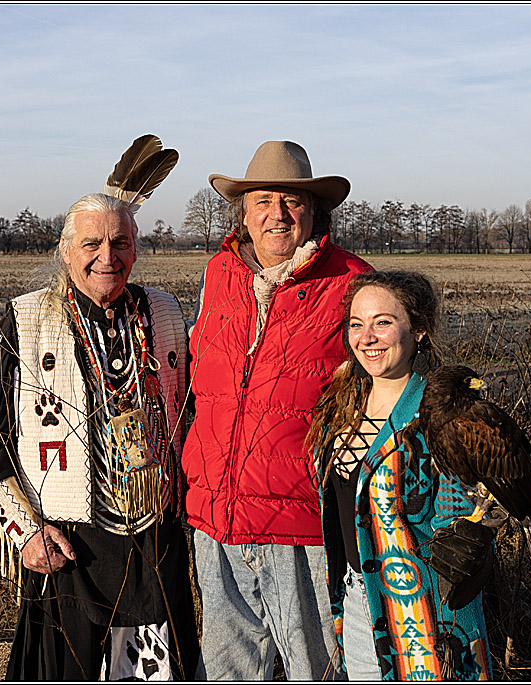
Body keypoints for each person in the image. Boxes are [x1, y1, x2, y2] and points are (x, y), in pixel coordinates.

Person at [0, 190, 198, 680]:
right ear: (65, 251)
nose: (107, 257)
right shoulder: (26, 322)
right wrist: (25, 532)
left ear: (136, 249)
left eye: (120, 242)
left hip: (156, 543)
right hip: (69, 549)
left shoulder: (165, 314)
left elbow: (195, 412)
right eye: (91, 244)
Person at [182, 140, 373, 680]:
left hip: (303, 526)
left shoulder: (352, 281)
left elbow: (388, 392)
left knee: (316, 670)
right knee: (226, 672)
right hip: (215, 521)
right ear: (243, 212)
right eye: (263, 201)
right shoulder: (219, 273)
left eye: (292, 201)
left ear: (315, 212)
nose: (277, 214)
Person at [305, 270, 494, 681]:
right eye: (357, 324)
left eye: (383, 322)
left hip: (427, 617)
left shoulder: (443, 415)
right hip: (357, 604)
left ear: (419, 331)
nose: (366, 337)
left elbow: (467, 518)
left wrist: (475, 539)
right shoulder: (342, 404)